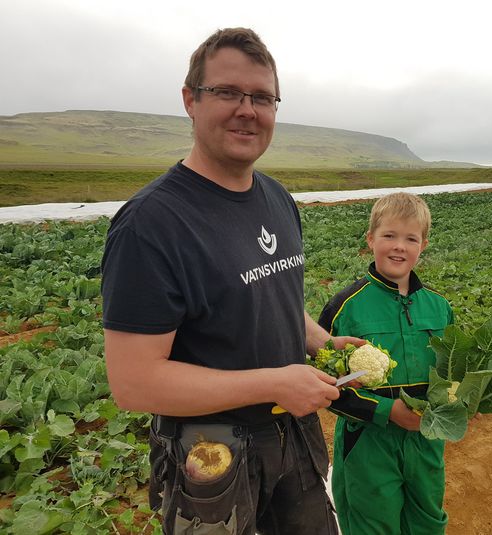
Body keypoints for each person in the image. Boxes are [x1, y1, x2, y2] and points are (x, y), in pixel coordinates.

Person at [101, 27, 357, 535]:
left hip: (294, 434)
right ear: (190, 100)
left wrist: (323, 343)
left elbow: (269, 294)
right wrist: (274, 381)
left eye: (262, 97)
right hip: (211, 450)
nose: (248, 109)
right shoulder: (151, 224)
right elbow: (134, 383)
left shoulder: (278, 199)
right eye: (227, 92)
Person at [318, 192, 454, 535]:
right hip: (368, 443)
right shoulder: (345, 306)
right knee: (372, 525)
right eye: (389, 236)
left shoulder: (439, 308)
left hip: (425, 443)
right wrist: (387, 411)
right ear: (370, 240)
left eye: (410, 238)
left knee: (428, 521)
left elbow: (452, 372)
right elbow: (325, 385)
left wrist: (457, 400)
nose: (399, 247)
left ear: (423, 244)